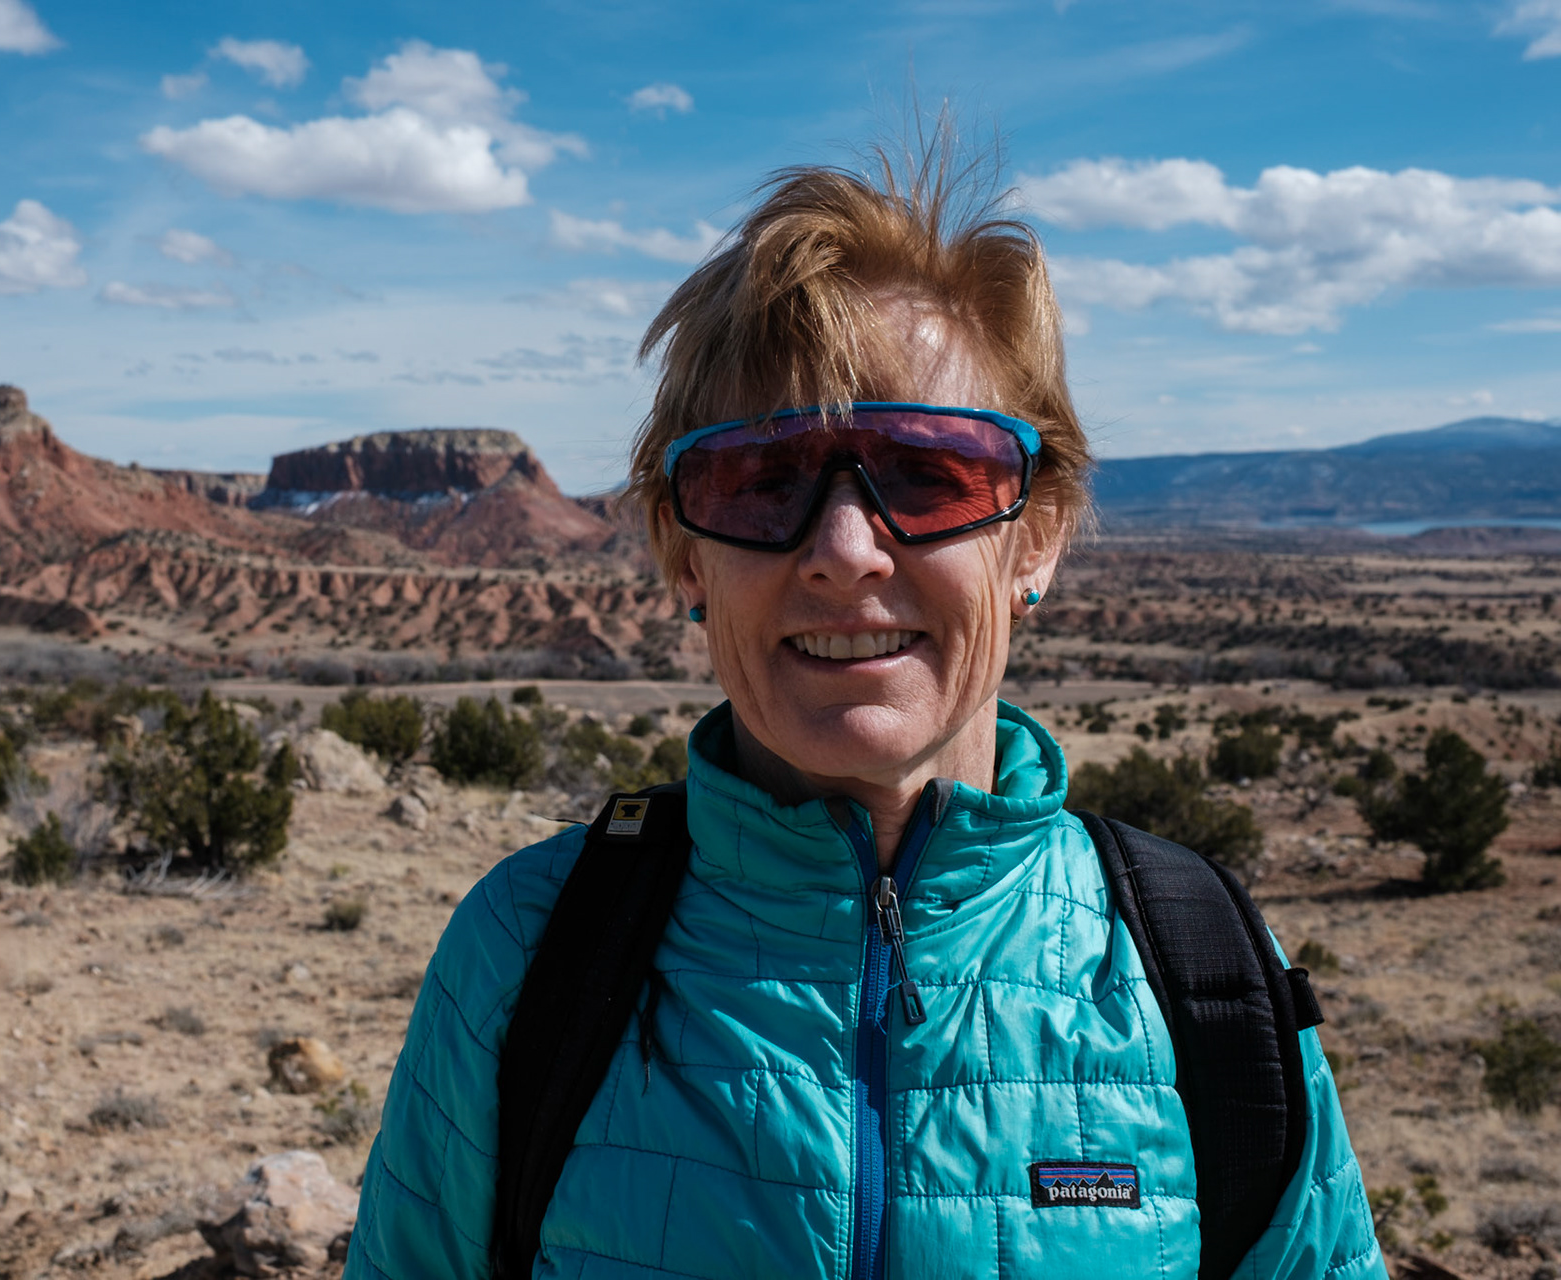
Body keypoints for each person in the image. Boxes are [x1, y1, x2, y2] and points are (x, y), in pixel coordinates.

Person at [345, 134, 1383, 1279]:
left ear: (1036, 538)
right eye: (761, 478)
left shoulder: (1201, 979)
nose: (844, 551)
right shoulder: (526, 957)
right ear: (683, 553)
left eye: (931, 473)